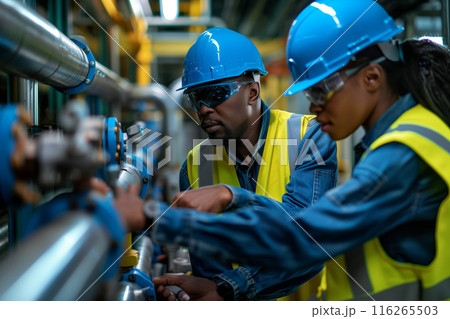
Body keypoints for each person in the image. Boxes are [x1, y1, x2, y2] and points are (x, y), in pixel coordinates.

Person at [117, 0, 449, 301]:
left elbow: (305, 238)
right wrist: (217, 288)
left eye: (320, 91)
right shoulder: (396, 141)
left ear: (372, 77)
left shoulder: (400, 154)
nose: (314, 106)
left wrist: (161, 219)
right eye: (195, 99)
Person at [170, 27, 337, 301]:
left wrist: (231, 197)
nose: (203, 109)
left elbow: (308, 235)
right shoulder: (195, 166)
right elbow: (212, 272)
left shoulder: (309, 135)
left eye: (215, 94)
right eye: (195, 98)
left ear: (252, 92)